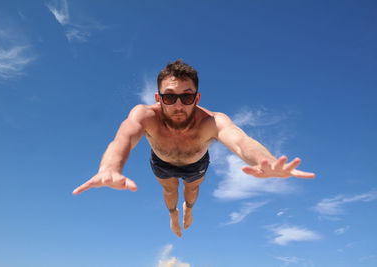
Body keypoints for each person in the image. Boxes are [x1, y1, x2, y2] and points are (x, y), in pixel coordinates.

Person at [73, 59, 316, 237]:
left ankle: (188, 210)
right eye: (169, 97)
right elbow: (123, 138)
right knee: (169, 191)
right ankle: (173, 215)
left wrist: (266, 161)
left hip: (195, 164)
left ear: (197, 98)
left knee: (192, 188)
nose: (178, 105)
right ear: (158, 98)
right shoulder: (145, 115)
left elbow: (240, 141)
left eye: (186, 97)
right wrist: (110, 167)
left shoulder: (212, 121)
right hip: (162, 162)